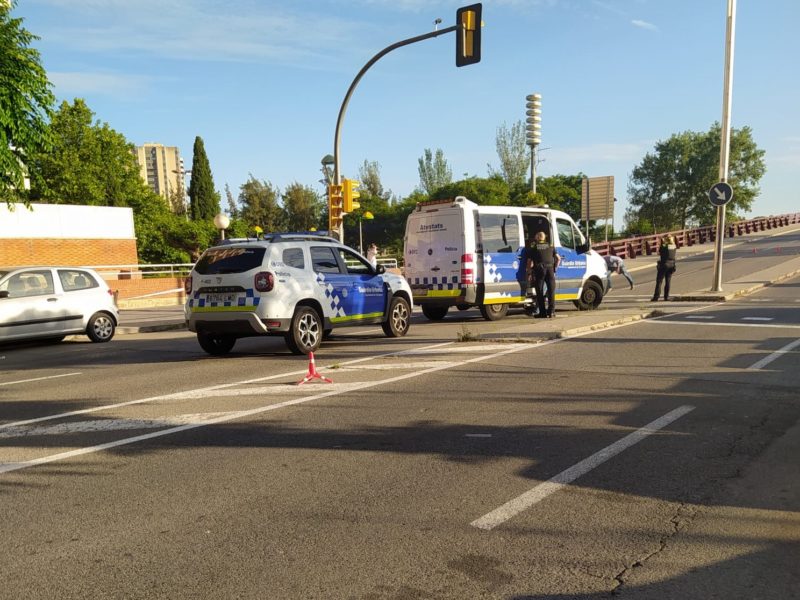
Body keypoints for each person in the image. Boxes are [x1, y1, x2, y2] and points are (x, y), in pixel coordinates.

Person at [526, 230, 560, 318]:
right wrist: (555, 267)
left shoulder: (534, 247)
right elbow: (558, 258)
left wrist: (529, 272)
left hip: (540, 270)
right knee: (551, 291)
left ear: (537, 238)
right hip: (550, 270)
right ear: (544, 238)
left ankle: (542, 313)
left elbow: (530, 261)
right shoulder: (550, 246)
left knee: (540, 291)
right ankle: (551, 312)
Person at [651, 234, 677, 301]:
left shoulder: (664, 246)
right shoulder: (674, 246)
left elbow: (660, 251)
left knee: (659, 281)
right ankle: (666, 296)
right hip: (672, 264)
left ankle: (656, 297)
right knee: (668, 281)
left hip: (664, 264)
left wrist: (662, 241)